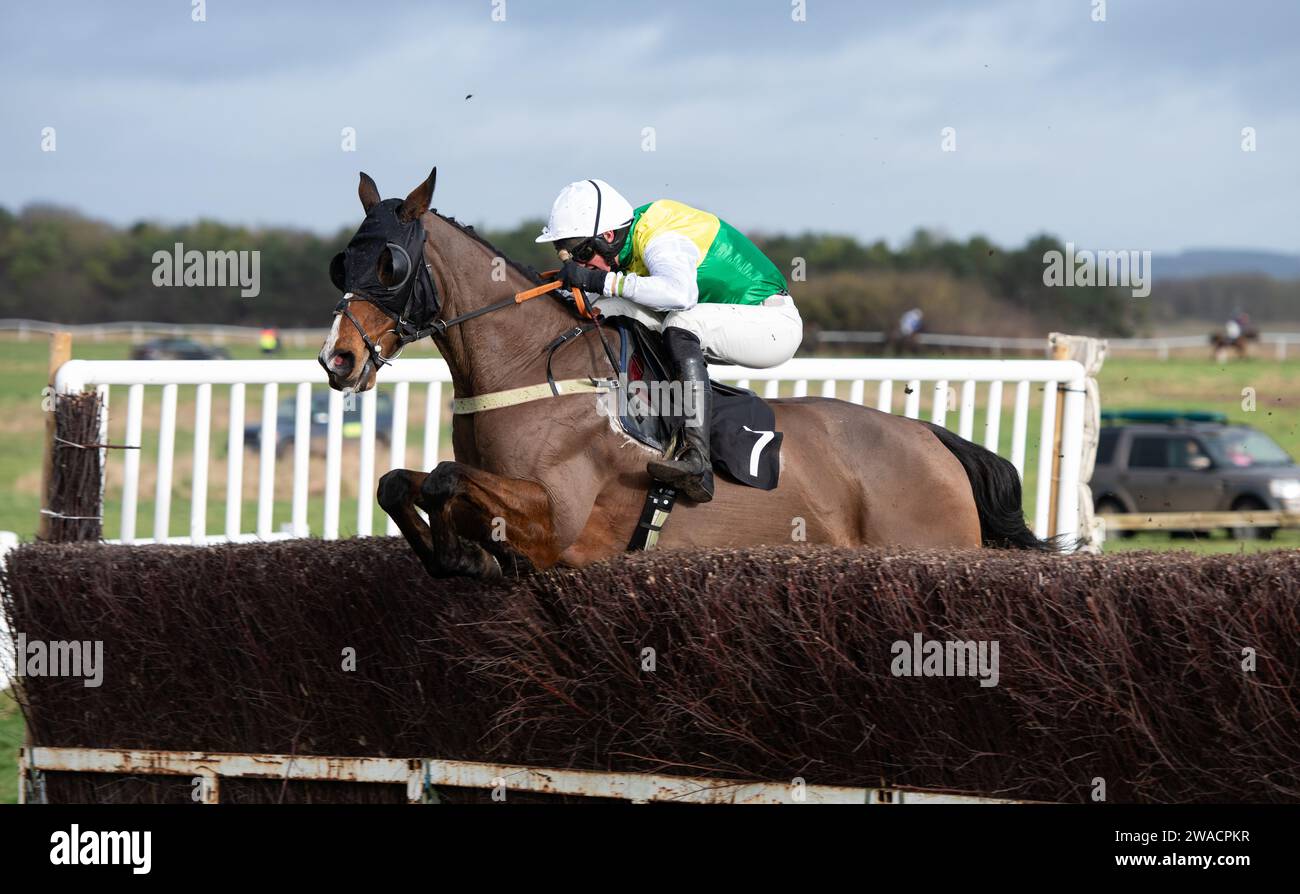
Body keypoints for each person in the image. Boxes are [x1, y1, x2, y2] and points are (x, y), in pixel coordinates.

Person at [536, 179, 802, 502]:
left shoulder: (660, 234)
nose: (577, 264)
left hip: (772, 323)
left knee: (679, 322)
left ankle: (697, 462)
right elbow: (612, 294)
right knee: (609, 307)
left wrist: (600, 280)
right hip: (722, 317)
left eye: (581, 253)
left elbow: (679, 294)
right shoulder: (623, 244)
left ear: (608, 236)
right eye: (566, 255)